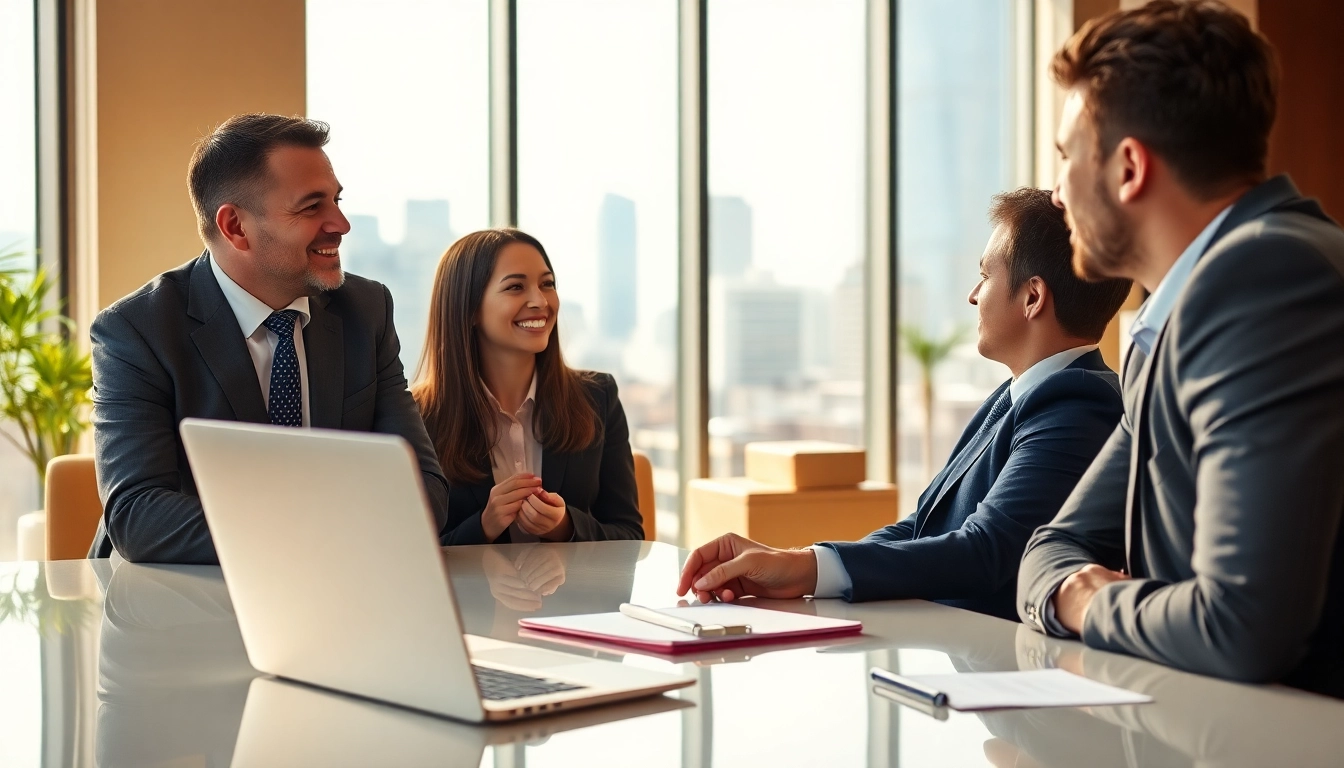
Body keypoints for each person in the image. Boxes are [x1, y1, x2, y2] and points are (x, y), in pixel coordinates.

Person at [1016, 1, 1344, 696]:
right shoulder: (1172, 316)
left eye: (1068, 156)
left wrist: (1087, 600)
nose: (1056, 191)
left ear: (1129, 168)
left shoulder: (1263, 280)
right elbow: (1049, 550)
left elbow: (1241, 626)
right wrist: (1083, 590)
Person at [677, 188, 1131, 620]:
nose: (973, 295)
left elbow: (984, 551)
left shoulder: (1077, 402)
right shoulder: (1018, 394)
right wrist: (802, 564)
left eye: (985, 275)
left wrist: (808, 569)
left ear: (1032, 297)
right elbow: (922, 526)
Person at [88, 114, 449, 564]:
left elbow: (425, 493)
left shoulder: (366, 310)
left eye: (336, 200)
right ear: (236, 228)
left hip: (337, 591)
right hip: (172, 600)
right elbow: (139, 517)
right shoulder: (137, 331)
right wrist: (312, 532)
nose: (340, 223)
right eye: (311, 206)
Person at [413, 228, 644, 545]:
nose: (540, 301)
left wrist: (565, 527)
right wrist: (483, 526)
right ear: (468, 309)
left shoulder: (598, 396)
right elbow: (405, 553)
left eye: (547, 284)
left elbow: (630, 537)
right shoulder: (417, 417)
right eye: (515, 287)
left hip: (575, 596)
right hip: (469, 597)